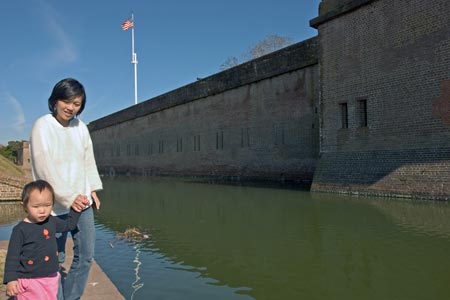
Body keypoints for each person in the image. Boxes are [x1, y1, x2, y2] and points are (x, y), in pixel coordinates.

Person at [29, 78, 103, 300]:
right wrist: (69, 197)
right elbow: (44, 168)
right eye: (67, 101)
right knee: (55, 259)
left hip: (82, 203)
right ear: (55, 100)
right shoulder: (42, 126)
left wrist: (92, 189)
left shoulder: (81, 128)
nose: (71, 108)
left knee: (86, 256)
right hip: (53, 207)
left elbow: (87, 160)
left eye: (77, 104)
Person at [3, 180, 84, 300]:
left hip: (50, 277)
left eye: (47, 205)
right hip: (28, 279)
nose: (42, 210)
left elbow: (69, 225)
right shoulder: (20, 230)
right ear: (24, 206)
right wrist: (11, 279)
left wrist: (76, 210)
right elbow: (12, 257)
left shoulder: (51, 221)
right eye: (36, 206)